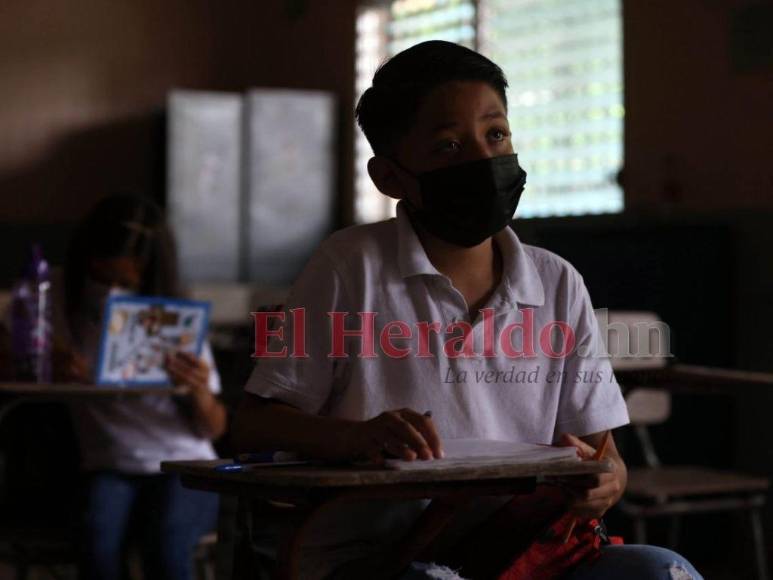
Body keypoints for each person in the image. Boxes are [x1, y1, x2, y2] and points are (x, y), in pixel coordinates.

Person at [233, 41, 702, 579]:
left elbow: (604, 455)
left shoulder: (556, 282)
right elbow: (256, 424)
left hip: (520, 552)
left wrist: (605, 483)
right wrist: (357, 438)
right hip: (377, 557)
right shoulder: (349, 265)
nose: (483, 160)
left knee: (663, 571)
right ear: (390, 177)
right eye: (448, 146)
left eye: (496, 134)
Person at [55, 193, 226, 580]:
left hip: (184, 462)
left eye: (123, 282)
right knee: (97, 540)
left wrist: (197, 389)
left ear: (147, 274)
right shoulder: (57, 299)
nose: (111, 292)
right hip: (109, 464)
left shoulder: (173, 317)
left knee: (166, 548)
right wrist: (45, 363)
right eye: (101, 278)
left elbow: (214, 428)